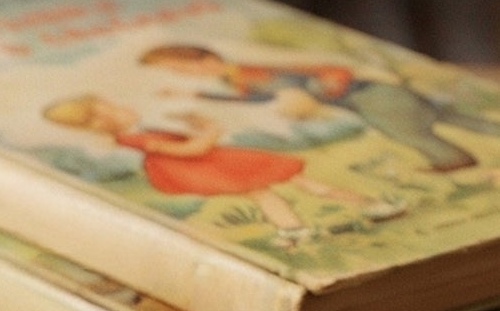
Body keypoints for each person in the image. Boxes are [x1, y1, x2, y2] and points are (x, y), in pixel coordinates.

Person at [42, 94, 395, 244]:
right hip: (207, 164)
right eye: (112, 108)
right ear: (102, 119)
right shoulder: (136, 140)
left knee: (272, 189)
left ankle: (295, 229)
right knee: (285, 184)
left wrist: (196, 121)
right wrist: (209, 130)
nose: (122, 107)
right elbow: (191, 149)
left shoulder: (142, 132)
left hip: (213, 162)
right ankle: (365, 205)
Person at [141, 43, 500, 175]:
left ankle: (455, 161)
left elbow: (310, 77)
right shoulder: (241, 79)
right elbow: (262, 98)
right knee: (449, 118)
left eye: (184, 70)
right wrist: (204, 98)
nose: (186, 76)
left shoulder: (252, 68)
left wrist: (317, 92)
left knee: (409, 131)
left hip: (372, 96)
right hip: (371, 97)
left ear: (205, 59)